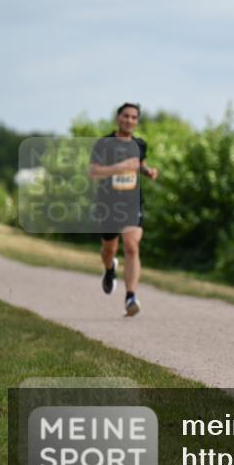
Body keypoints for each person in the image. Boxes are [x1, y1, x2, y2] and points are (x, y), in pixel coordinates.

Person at [89, 103, 159, 316]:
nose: (129, 120)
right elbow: (94, 173)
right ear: (118, 118)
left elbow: (139, 164)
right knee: (109, 249)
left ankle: (131, 297)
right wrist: (119, 167)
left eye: (134, 117)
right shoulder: (104, 144)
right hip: (109, 204)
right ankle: (110, 269)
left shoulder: (140, 144)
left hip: (132, 203)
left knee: (131, 246)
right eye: (126, 116)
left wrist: (147, 171)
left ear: (137, 121)